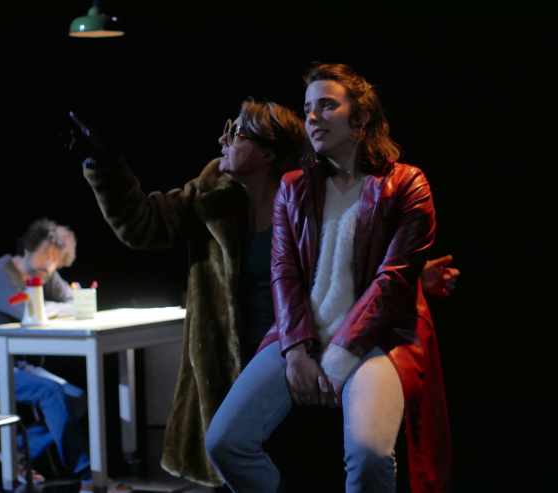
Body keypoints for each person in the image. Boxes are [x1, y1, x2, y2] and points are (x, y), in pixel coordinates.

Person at [66, 95, 458, 489]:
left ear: (268, 154)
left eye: (236, 132)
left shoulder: (309, 196)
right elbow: (141, 224)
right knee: (237, 454)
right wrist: (104, 163)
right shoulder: (211, 195)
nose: (222, 139)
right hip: (239, 363)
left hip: (311, 353)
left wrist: (417, 275)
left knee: (318, 466)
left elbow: (358, 262)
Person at [205, 63, 453, 493]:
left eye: (326, 106)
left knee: (369, 456)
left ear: (361, 117)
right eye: (307, 109)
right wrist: (295, 350)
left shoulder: (407, 184)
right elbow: (284, 274)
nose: (313, 117)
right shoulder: (292, 187)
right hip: (301, 334)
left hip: (379, 338)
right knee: (225, 442)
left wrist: (338, 358)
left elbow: (393, 283)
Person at [0, 218, 131, 492]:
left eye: (55, 261)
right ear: (29, 247)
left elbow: (75, 300)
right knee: (51, 392)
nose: (49, 265)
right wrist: (58, 308)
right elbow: (29, 311)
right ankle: (89, 477)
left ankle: (16, 450)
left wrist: (60, 306)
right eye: (45, 255)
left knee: (75, 397)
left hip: (15, 364)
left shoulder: (44, 273)